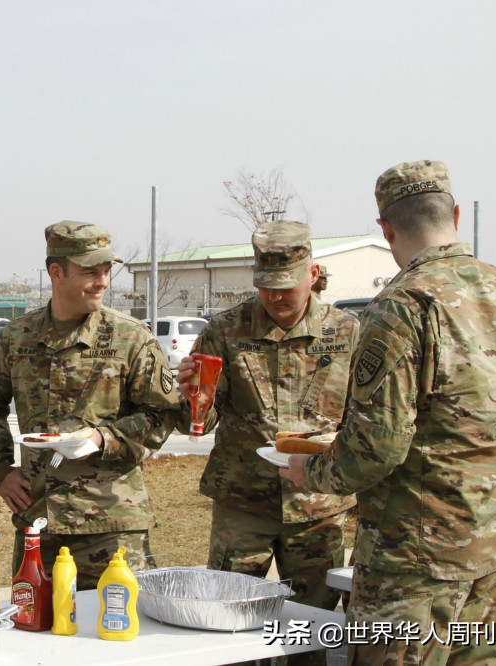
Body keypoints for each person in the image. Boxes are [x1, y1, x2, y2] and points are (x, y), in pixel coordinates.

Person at [281, 160, 496, 666]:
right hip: (491, 548)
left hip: (413, 561)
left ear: (386, 230)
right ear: (454, 213)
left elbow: (377, 445)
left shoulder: (403, 305)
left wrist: (311, 471)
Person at [175, 220, 359, 666]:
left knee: (310, 631)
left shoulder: (347, 333)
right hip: (243, 504)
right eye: (266, 286)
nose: (275, 297)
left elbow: (365, 419)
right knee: (229, 626)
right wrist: (191, 398)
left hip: (318, 506)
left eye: (287, 286)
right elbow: (197, 422)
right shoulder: (225, 330)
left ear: (312, 274)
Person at [0, 221, 179, 589]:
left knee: (117, 632)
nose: (102, 282)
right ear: (56, 272)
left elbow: (160, 414)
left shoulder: (130, 338)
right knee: (38, 631)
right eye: (89, 272)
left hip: (112, 525)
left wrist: (104, 438)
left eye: (105, 271)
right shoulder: (17, 338)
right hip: (39, 521)